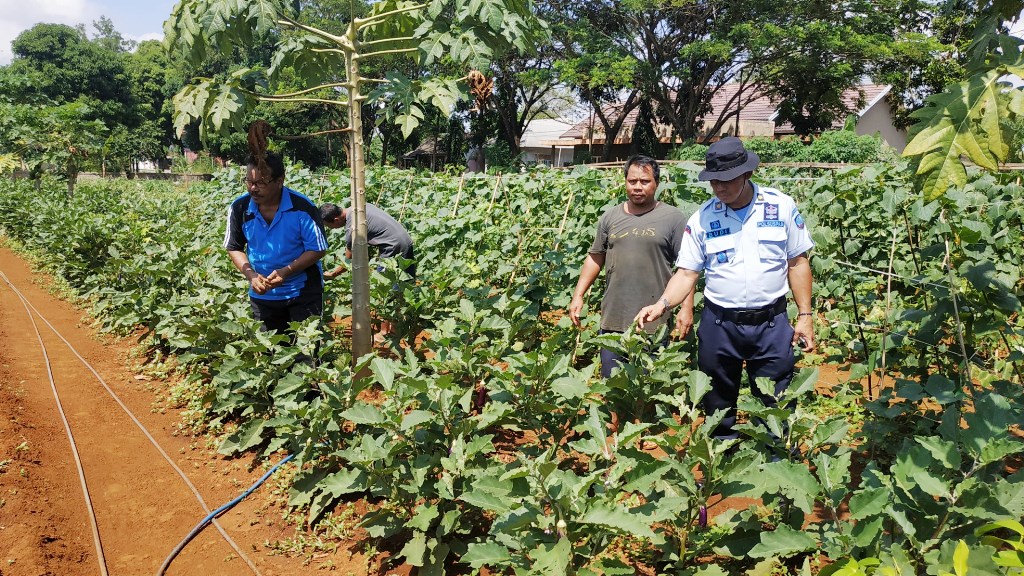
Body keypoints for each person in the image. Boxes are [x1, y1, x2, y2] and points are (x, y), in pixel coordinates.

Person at [635, 136, 815, 444]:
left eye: (727, 180)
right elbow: (687, 272)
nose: (719, 187)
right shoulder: (703, 218)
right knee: (717, 402)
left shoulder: (780, 207)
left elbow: (797, 263)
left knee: (776, 402)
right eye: (714, 180)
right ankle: (720, 466)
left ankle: (778, 469)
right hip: (720, 325)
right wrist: (662, 304)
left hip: (771, 324)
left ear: (747, 174)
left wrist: (805, 314)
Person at [569, 154, 694, 379]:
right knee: (613, 387)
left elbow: (686, 268)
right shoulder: (610, 217)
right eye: (632, 181)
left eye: (644, 181)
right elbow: (596, 257)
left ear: (656, 183)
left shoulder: (673, 218)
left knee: (647, 389)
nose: (637, 187)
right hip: (613, 318)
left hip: (653, 320)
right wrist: (578, 295)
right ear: (625, 181)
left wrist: (686, 308)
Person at [224, 121, 329, 334]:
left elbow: (318, 248)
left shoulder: (302, 208)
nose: (253, 188)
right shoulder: (240, 208)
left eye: (261, 183)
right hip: (262, 295)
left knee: (305, 355)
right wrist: (251, 276)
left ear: (280, 180)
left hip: (302, 292)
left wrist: (286, 272)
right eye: (249, 182)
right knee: (269, 355)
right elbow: (234, 246)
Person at [320, 202, 415, 339]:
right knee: (400, 285)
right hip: (405, 240)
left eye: (330, 226)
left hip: (393, 246)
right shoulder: (358, 207)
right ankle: (396, 325)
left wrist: (334, 273)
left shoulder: (353, 226)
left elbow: (349, 257)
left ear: (336, 220)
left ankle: (385, 333)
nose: (333, 229)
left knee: (385, 289)